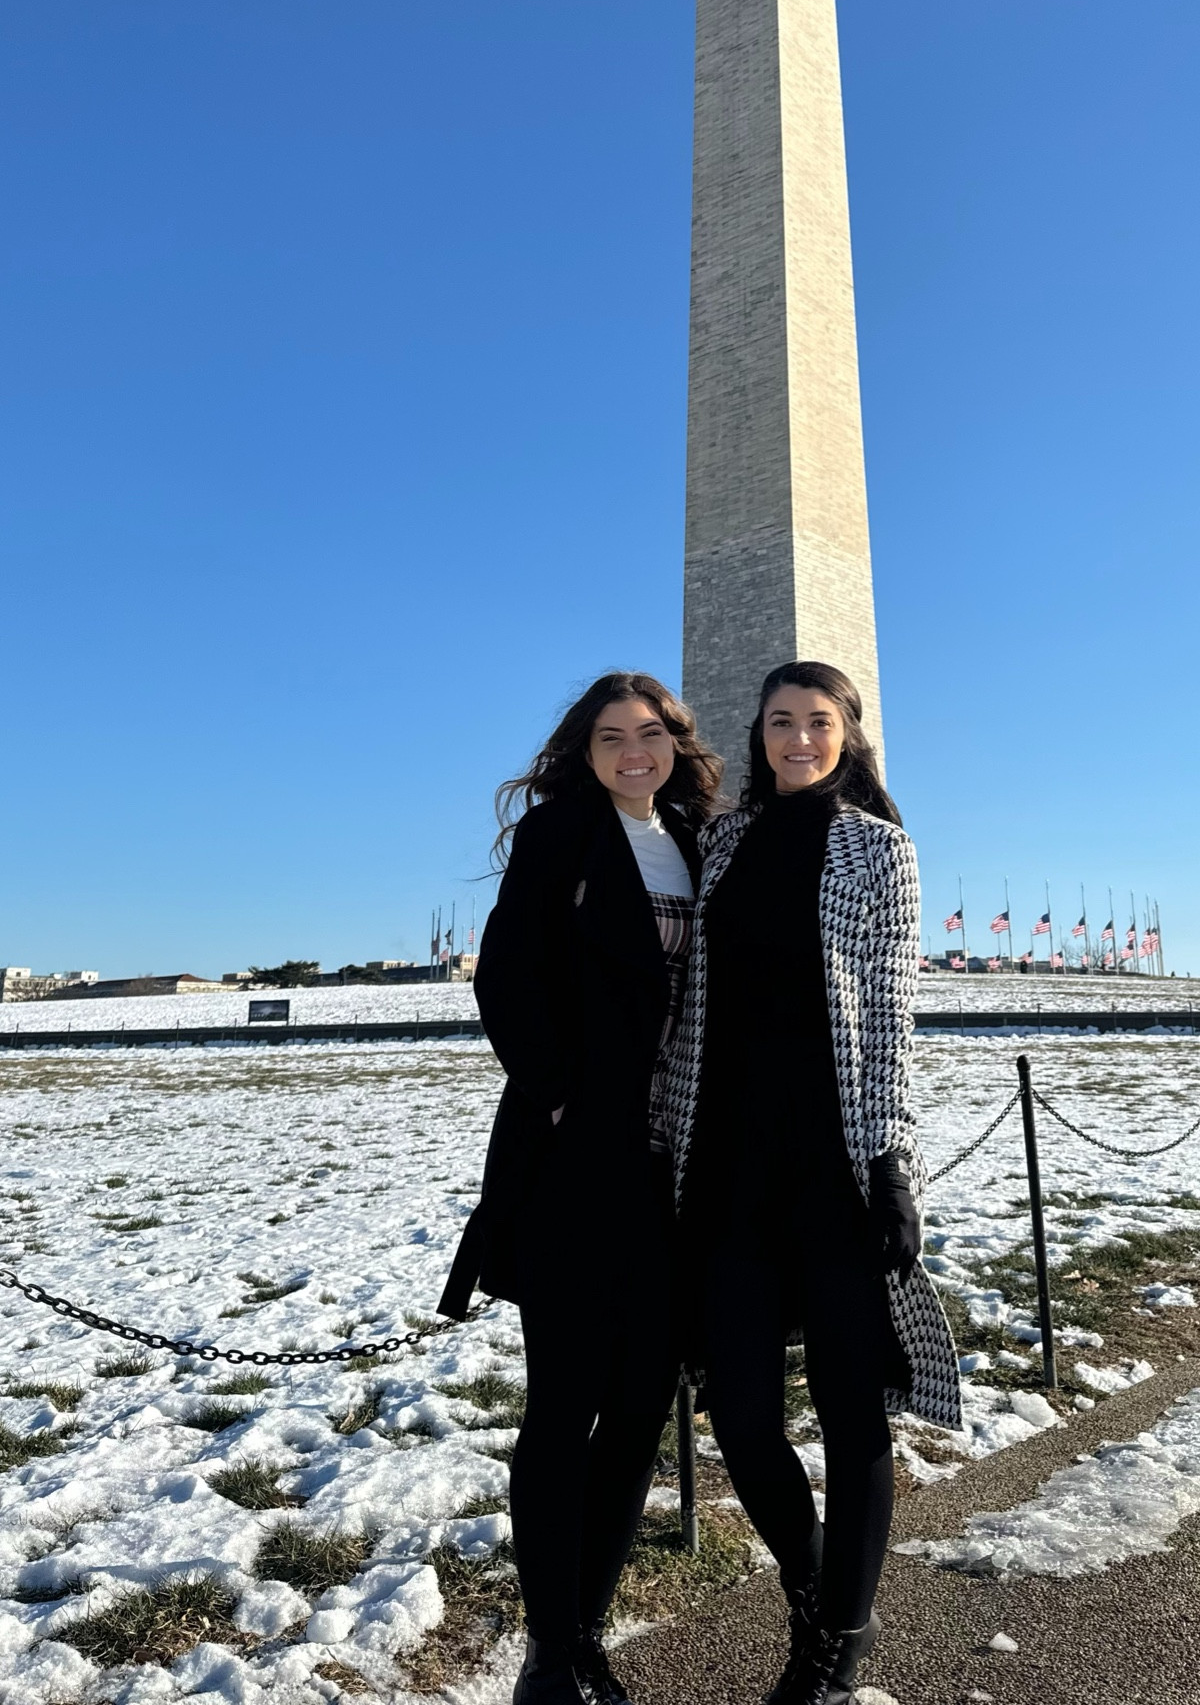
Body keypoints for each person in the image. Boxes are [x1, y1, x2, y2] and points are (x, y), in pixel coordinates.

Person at [655, 660, 963, 1705]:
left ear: (848, 733)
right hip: (726, 1162)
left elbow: (890, 1016)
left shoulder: (881, 849)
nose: (797, 738)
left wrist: (893, 1161)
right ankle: (813, 1581)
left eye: (817, 721)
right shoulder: (723, 840)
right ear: (757, 732)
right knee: (740, 1413)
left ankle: (842, 1638)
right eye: (780, 720)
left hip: (834, 1163)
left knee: (849, 1411)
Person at [439, 672, 722, 1705]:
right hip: (575, 1162)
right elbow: (505, 975)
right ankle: (548, 1650)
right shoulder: (560, 833)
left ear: (675, 743)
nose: (632, 752)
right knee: (564, 1405)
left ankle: (589, 1629)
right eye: (611, 737)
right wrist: (561, 1097)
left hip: (672, 1163)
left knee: (642, 1405)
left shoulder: (694, 838)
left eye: (649, 733)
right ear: (584, 749)